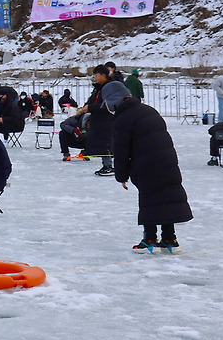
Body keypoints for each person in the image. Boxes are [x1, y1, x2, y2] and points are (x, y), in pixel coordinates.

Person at [109, 86, 192, 252]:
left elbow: (121, 150)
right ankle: (169, 238)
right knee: (165, 196)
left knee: (149, 199)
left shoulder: (123, 118)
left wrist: (121, 175)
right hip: (167, 159)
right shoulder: (148, 110)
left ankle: (149, 239)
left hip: (146, 163)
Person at [74, 67, 115, 176]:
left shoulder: (109, 87)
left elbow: (106, 105)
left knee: (106, 143)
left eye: (96, 75)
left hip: (106, 120)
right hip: (98, 120)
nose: (95, 78)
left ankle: (109, 166)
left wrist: (90, 108)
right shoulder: (99, 88)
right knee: (101, 143)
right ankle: (106, 165)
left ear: (103, 75)